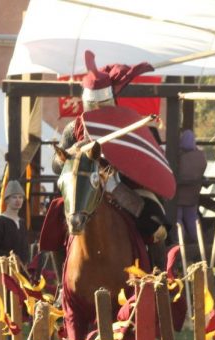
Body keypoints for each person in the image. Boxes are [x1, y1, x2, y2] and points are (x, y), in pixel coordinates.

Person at [49, 51, 171, 250]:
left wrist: (117, 172)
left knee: (155, 225)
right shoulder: (75, 128)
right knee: (53, 223)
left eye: (102, 104)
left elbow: (146, 161)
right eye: (93, 105)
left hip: (121, 185)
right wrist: (72, 150)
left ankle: (157, 266)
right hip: (83, 187)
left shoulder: (129, 125)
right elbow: (56, 166)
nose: (98, 109)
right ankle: (55, 265)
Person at [0, 180, 28, 277]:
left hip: (19, 274)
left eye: (20, 197)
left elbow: (25, 250)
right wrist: (10, 259)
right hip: (2, 274)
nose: (18, 200)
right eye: (14, 197)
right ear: (7, 200)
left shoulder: (22, 223)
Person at [175, 129, 207, 243]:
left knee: (177, 219)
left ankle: (179, 241)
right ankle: (199, 240)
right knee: (193, 219)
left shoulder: (178, 156)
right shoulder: (201, 156)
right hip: (193, 194)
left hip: (178, 195)